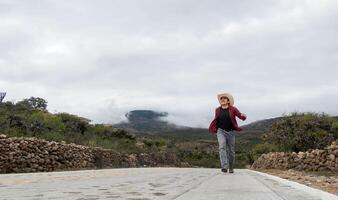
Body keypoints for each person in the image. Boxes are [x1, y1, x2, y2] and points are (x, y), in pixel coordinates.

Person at [208, 92, 247, 173]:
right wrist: (214, 127)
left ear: (228, 101)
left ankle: (231, 167)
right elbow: (216, 119)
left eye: (224, 99)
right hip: (220, 131)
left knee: (231, 151)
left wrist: (244, 116)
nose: (222, 100)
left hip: (231, 132)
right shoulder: (217, 110)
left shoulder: (233, 109)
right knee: (222, 146)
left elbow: (240, 116)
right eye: (221, 99)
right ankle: (224, 166)